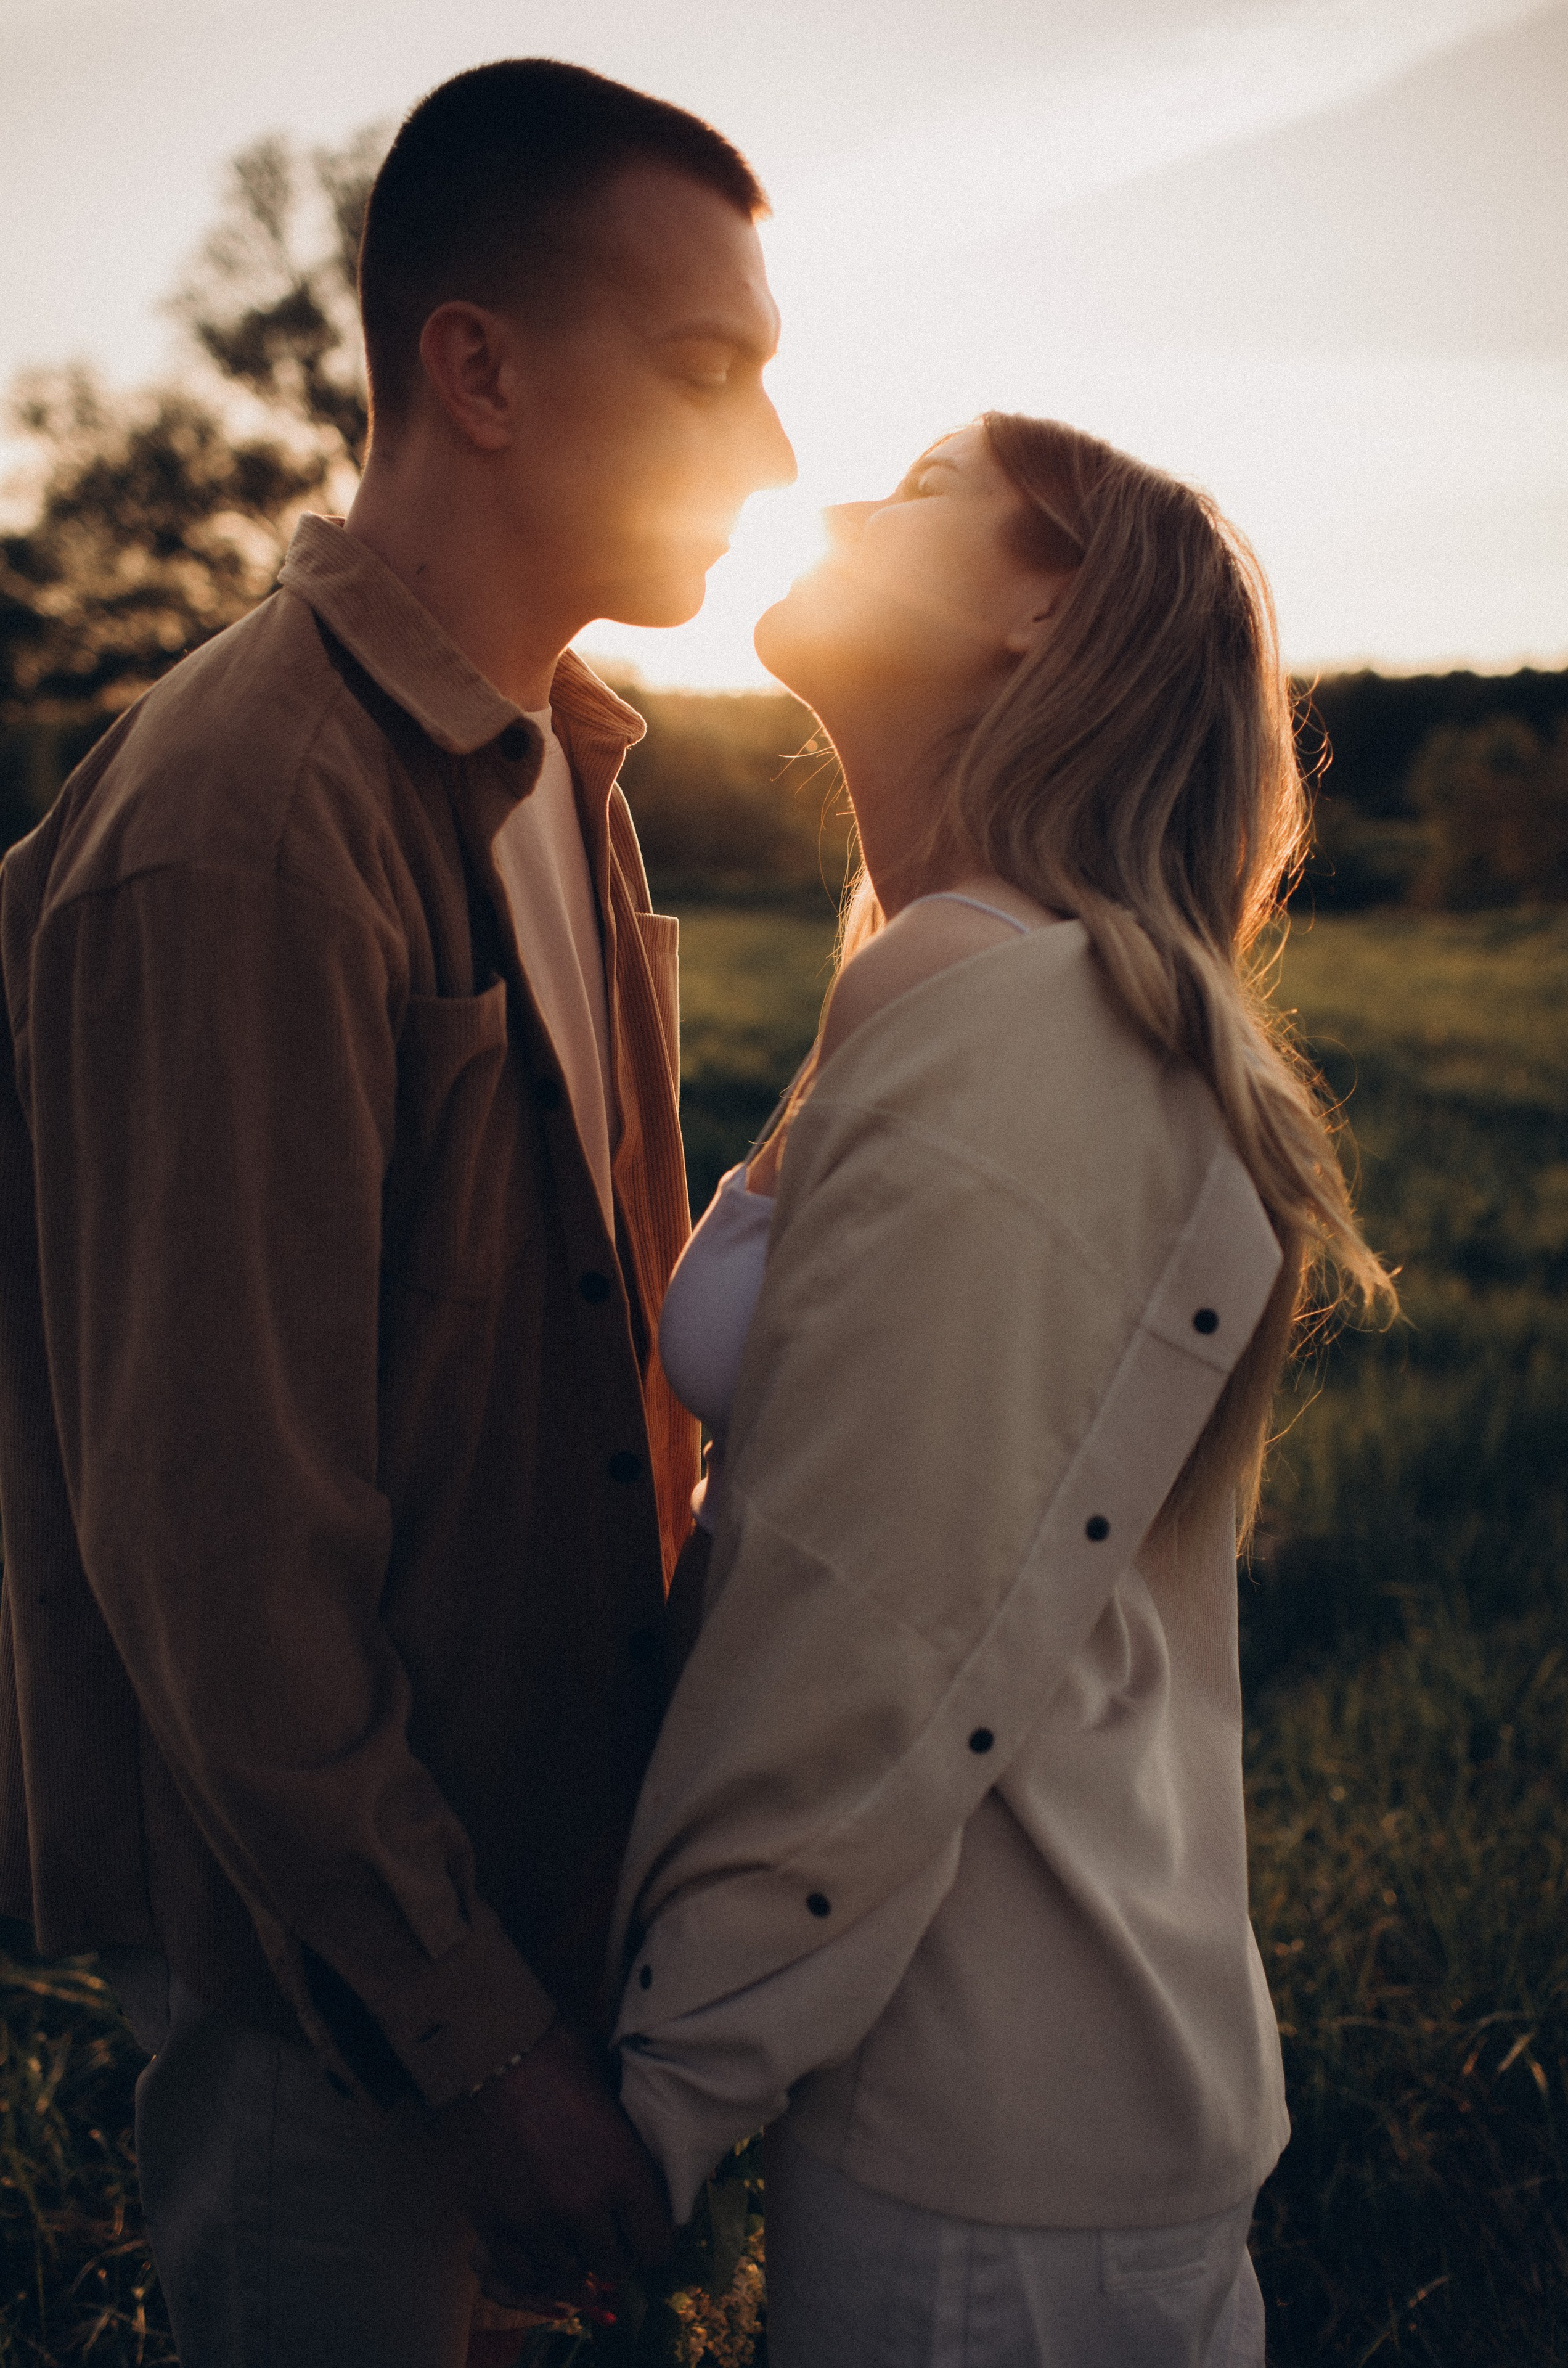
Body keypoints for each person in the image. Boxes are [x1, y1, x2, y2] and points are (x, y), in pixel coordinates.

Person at [0, 57, 793, 2368]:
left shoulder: (571, 763)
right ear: (477, 367)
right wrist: (482, 2039)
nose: (765, 451)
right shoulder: (243, 821)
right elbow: (219, 1556)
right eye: (707, 370)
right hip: (346, 2007)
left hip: (546, 1936)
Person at [612, 414, 1393, 2365]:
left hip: (1002, 2149)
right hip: (1024, 2103)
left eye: (928, 491)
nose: (848, 503)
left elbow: (885, 1618)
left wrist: (657, 2094)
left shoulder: (1028, 1014)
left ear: (1044, 615)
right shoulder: (971, 974)